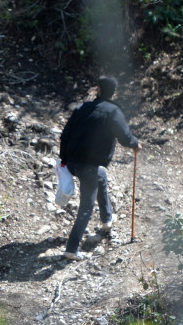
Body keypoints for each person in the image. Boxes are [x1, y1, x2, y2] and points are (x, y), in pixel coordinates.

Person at [59, 76, 141, 261]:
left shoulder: (83, 108)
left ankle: (107, 221)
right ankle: (72, 249)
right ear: (114, 92)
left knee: (101, 176)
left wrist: (64, 160)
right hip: (87, 166)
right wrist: (136, 144)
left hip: (72, 162)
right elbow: (125, 137)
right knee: (86, 207)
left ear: (98, 90)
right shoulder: (113, 111)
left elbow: (65, 134)